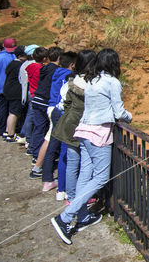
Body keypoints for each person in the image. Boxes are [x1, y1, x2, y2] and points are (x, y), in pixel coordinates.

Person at [51, 49, 132, 245]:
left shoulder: (92, 80)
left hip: (83, 132)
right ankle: (65, 218)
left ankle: (83, 214)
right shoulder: (112, 82)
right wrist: (130, 117)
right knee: (101, 178)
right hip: (98, 134)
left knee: (85, 174)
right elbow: (119, 111)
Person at [51, 49, 96, 204]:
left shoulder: (73, 80)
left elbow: (66, 103)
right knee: (86, 163)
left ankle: (70, 196)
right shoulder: (93, 83)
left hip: (70, 123)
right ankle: (83, 195)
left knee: (72, 162)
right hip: (86, 125)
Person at [39, 51, 77, 193]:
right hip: (60, 112)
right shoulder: (68, 77)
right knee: (63, 149)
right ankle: (64, 187)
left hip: (52, 108)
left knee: (51, 142)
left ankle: (47, 178)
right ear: (72, 65)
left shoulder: (55, 71)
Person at [28, 46, 62, 168]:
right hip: (45, 102)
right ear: (59, 58)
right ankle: (43, 156)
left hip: (37, 99)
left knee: (38, 128)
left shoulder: (44, 68)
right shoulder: (57, 71)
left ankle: (34, 152)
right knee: (47, 130)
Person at [18, 46, 47, 146]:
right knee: (32, 117)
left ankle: (26, 136)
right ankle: (27, 138)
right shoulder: (40, 69)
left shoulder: (30, 66)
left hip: (30, 92)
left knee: (30, 115)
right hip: (36, 94)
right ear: (44, 58)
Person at [2, 46, 28, 141]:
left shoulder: (12, 63)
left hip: (8, 89)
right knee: (14, 113)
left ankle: (7, 131)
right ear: (21, 56)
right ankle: (11, 134)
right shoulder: (19, 66)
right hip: (15, 91)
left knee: (11, 112)